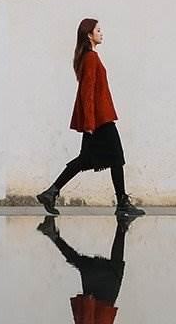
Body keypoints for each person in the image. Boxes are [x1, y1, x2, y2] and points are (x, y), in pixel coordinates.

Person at [37, 18, 144, 217]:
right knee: (117, 157)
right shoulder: (91, 58)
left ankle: (51, 192)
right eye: (98, 30)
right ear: (89, 35)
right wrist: (88, 123)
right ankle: (122, 203)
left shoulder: (89, 57)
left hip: (97, 118)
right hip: (100, 119)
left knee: (85, 159)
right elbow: (87, 92)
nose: (101, 33)